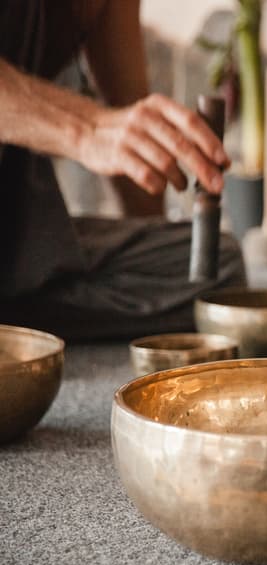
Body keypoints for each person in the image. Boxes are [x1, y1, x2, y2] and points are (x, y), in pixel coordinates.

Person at [0, 0, 245, 341]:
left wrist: (155, 248)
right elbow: (99, 126)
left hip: (19, 241)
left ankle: (14, 327)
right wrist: (87, 129)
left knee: (215, 268)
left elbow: (127, 105)